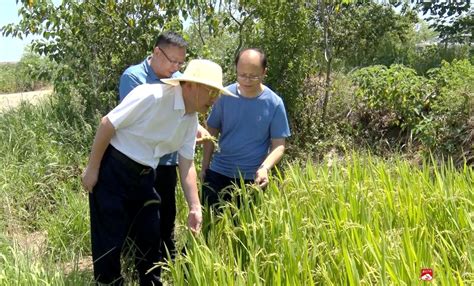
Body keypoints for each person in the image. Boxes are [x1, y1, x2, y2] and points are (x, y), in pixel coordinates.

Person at [82, 59, 235, 285]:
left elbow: (187, 165)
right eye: (210, 91)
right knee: (109, 245)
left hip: (145, 178)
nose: (214, 98)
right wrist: (92, 169)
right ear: (190, 85)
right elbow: (107, 124)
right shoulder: (151, 96)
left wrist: (195, 206)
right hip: (113, 171)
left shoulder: (190, 120)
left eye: (217, 93)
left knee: (151, 239)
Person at [119, 31, 211, 262]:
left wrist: (196, 128)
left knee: (166, 212)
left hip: (168, 160)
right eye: (173, 61)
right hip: (139, 162)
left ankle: (166, 261)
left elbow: (185, 111)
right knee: (139, 216)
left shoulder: (178, 77)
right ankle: (138, 262)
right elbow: (137, 124)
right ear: (156, 52)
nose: (176, 68)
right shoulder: (134, 77)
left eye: (181, 62)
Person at [201, 48, 291, 209]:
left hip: (253, 178)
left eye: (253, 76)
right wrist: (205, 167)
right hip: (218, 173)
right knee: (210, 228)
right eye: (242, 75)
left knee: (246, 231)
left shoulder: (274, 103)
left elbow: (279, 145)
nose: (247, 80)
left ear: (264, 72)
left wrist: (265, 168)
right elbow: (211, 132)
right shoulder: (224, 96)